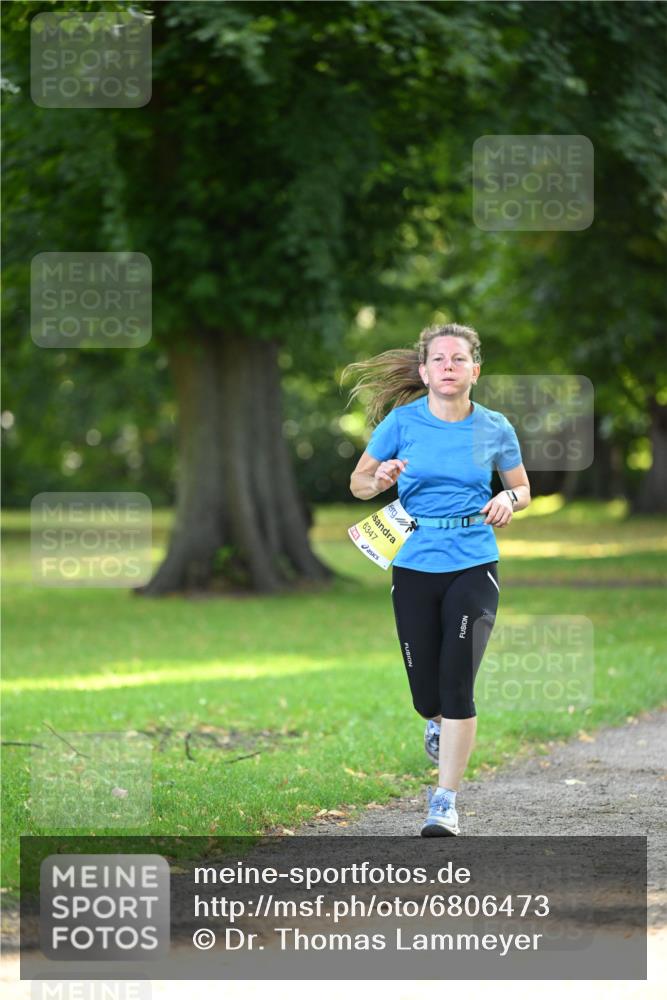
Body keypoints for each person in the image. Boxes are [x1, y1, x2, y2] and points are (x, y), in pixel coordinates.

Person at [344, 322, 531, 836]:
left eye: (459, 359)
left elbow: (522, 488)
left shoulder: (494, 427)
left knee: (457, 687)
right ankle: (434, 722)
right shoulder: (402, 423)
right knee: (427, 696)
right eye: (439, 360)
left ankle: (444, 801)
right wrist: (379, 478)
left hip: (474, 561)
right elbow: (359, 483)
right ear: (425, 372)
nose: (449, 367)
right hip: (414, 563)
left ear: (475, 370)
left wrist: (507, 498)